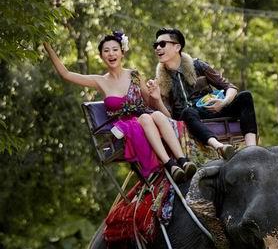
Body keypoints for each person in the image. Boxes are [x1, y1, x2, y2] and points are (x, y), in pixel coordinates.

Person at [43, 31, 196, 182]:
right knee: (145, 118)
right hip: (123, 127)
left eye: (115, 49)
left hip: (146, 117)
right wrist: (48, 46)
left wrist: (155, 95)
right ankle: (170, 166)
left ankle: (182, 160)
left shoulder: (134, 75)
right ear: (101, 56)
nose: (111, 54)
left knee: (155, 115)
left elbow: (149, 103)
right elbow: (66, 74)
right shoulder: (100, 81)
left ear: (122, 53)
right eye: (106, 51)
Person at [147, 27, 258, 158]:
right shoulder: (159, 82)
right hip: (190, 119)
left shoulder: (198, 65)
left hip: (211, 108)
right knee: (187, 112)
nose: (158, 48)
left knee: (245, 96)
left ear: (177, 47)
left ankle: (252, 149)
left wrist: (223, 102)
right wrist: (157, 100)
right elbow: (169, 117)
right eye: (156, 45)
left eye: (162, 44)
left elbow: (230, 87)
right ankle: (219, 147)